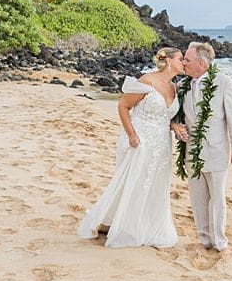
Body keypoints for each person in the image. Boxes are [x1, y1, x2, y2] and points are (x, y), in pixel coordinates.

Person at [78, 47, 184, 249]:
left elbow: (164, 116)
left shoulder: (174, 87)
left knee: (155, 184)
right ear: (169, 61)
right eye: (181, 58)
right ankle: (122, 225)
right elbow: (123, 106)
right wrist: (132, 135)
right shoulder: (147, 81)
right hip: (140, 140)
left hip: (161, 144)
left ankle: (143, 224)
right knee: (134, 182)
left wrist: (175, 126)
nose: (184, 62)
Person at [171, 41, 232, 252]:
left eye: (187, 59)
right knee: (198, 198)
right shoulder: (184, 84)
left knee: (217, 198)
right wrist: (177, 127)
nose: (183, 63)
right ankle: (204, 239)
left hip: (216, 150)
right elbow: (175, 114)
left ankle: (219, 241)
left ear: (201, 64)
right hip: (192, 151)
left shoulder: (223, 83)